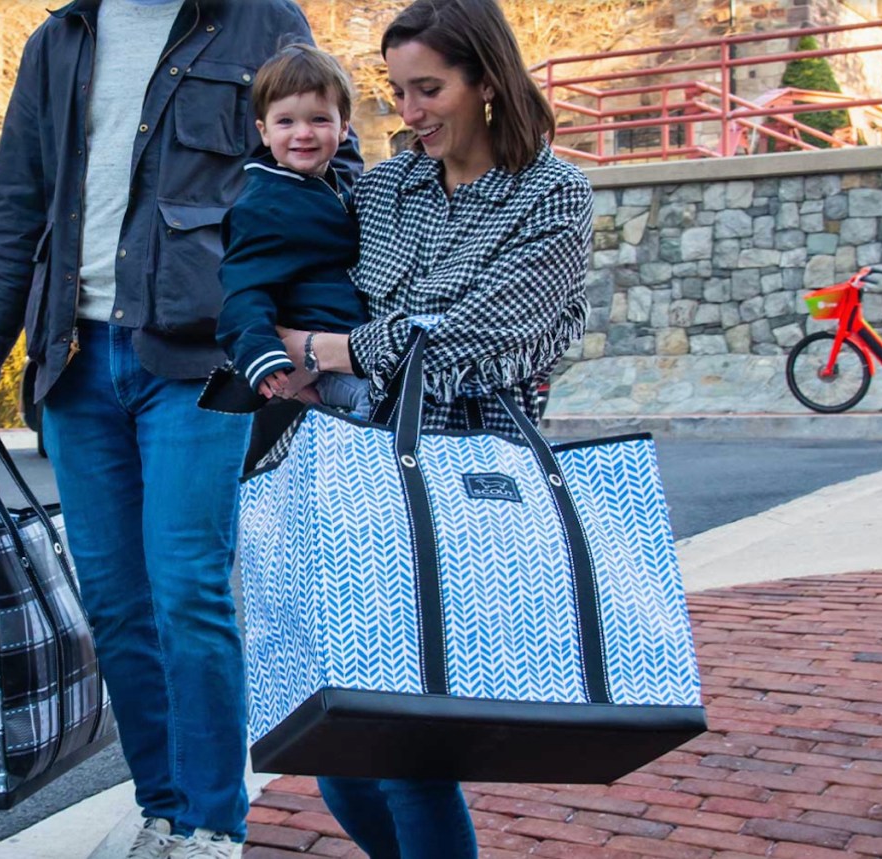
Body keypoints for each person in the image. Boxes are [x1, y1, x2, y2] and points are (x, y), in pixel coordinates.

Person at [0, 1, 361, 857]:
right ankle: (162, 809)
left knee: (187, 590)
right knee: (117, 607)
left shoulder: (259, 18)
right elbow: (16, 205)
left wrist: (311, 334)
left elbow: (331, 174)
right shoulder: (59, 39)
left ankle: (213, 823)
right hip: (71, 358)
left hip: (201, 358)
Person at [272, 0, 594, 855]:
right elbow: (297, 263)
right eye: (397, 92)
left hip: (470, 480)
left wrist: (323, 346)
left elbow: (480, 342)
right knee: (337, 739)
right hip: (358, 470)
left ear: (487, 81)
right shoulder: (384, 186)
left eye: (429, 89)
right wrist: (283, 340)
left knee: (408, 743)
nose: (408, 114)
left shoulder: (552, 195)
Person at [217, 44, 370, 419]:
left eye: (319, 119)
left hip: (349, 345)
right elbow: (244, 289)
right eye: (286, 122)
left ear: (343, 127)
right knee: (382, 401)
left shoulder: (333, 189)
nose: (303, 133)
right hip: (317, 358)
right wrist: (259, 352)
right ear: (264, 131)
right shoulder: (265, 204)